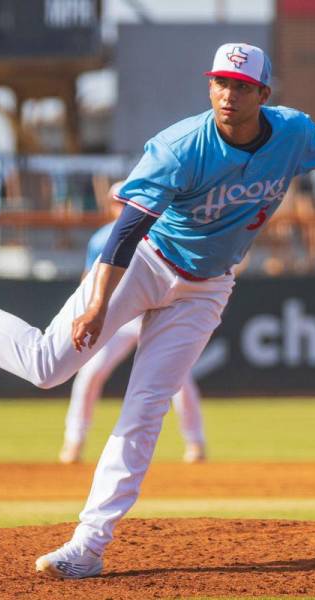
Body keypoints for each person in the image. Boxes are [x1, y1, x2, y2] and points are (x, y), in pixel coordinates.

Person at [0, 43, 315, 579]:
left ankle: (88, 547)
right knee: (48, 366)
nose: (228, 94)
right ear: (209, 86)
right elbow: (125, 231)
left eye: (240, 86)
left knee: (145, 409)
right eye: (219, 83)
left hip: (207, 286)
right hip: (145, 262)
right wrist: (97, 305)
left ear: (263, 93)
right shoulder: (181, 147)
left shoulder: (292, 132)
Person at [59, 182, 207, 465]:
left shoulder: (158, 232)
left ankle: (195, 442)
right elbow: (88, 280)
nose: (122, 208)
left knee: (179, 381)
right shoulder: (102, 239)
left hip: (156, 315)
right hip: (118, 318)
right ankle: (74, 441)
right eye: (118, 203)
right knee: (91, 374)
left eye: (127, 203)